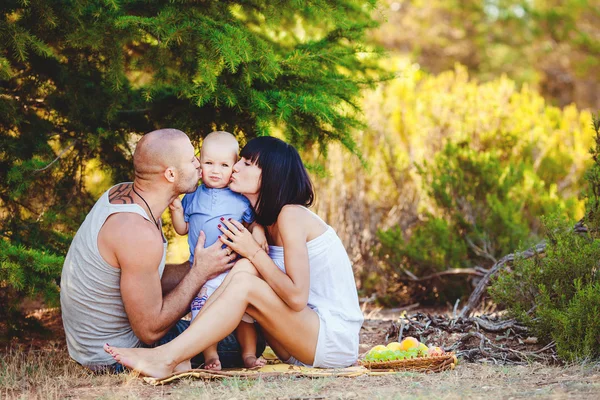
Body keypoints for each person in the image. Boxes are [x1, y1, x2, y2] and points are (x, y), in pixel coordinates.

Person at [104, 136, 364, 378]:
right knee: (243, 271)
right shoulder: (265, 223)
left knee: (246, 277)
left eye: (247, 163)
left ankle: (167, 357)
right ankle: (178, 356)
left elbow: (297, 298)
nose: (236, 167)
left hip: (331, 341)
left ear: (270, 176)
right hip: (294, 344)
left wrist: (251, 250)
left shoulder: (291, 216)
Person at [60, 128, 264, 372]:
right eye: (192, 160)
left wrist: (209, 268)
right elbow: (149, 331)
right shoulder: (137, 232)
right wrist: (199, 273)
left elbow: (144, 278)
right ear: (170, 174)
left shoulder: (125, 195)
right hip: (116, 354)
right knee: (249, 340)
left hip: (98, 344)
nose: (200, 166)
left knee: (222, 316)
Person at [169, 131, 268, 370]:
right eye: (209, 163)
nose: (215, 170)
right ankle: (211, 357)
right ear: (199, 163)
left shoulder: (240, 198)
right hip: (202, 271)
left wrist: (259, 232)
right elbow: (182, 229)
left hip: (231, 268)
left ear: (234, 168)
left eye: (224, 165)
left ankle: (248, 356)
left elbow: (252, 222)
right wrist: (175, 211)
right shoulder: (192, 196)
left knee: (243, 317)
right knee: (202, 313)